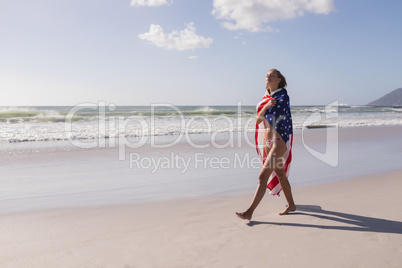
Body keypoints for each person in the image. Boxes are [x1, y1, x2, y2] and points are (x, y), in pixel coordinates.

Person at [236, 69, 296, 220]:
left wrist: (269, 107)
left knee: (262, 177)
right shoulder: (266, 99)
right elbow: (258, 119)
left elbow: (279, 115)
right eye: (267, 75)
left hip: (278, 141)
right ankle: (291, 205)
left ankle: (249, 212)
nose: (268, 77)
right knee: (280, 174)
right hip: (267, 142)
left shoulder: (283, 96)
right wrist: (266, 106)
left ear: (279, 80)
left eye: (272, 75)